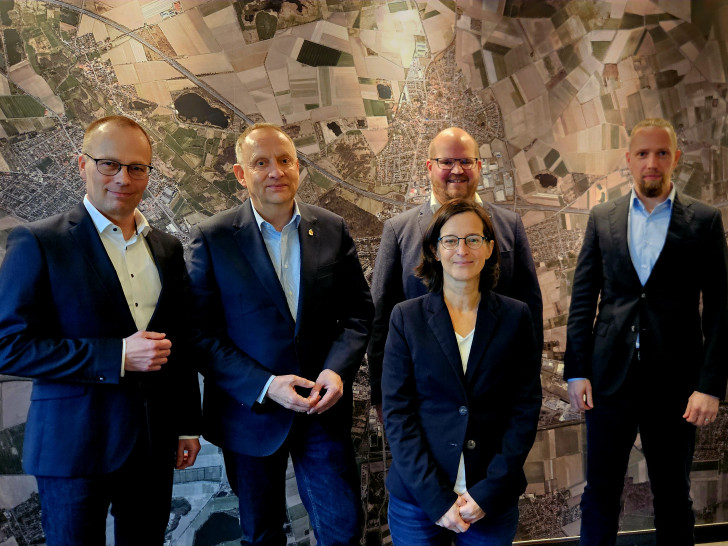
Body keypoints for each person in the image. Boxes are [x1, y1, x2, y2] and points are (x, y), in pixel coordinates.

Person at [0, 115, 202, 545]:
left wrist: (187, 425)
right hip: (73, 444)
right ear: (82, 165)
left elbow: (179, 343)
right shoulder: (38, 242)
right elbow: (8, 346)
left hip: (151, 443)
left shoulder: (167, 248)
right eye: (109, 164)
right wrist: (116, 356)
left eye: (137, 167)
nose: (123, 178)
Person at [186, 122, 373, 546]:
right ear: (240, 174)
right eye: (261, 163)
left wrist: (337, 370)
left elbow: (359, 312)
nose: (276, 171)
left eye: (285, 160)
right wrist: (266, 385)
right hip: (249, 415)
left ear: (298, 167)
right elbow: (199, 334)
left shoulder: (331, 228)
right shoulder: (212, 238)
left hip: (321, 410)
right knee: (261, 533)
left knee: (342, 529)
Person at [564, 118, 728, 545]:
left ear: (675, 157)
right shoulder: (603, 218)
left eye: (660, 153)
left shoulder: (705, 221)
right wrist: (576, 370)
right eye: (642, 153)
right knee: (600, 494)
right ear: (629, 160)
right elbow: (583, 300)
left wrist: (710, 385)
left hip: (677, 385)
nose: (651, 162)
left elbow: (720, 311)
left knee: (673, 496)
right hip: (607, 381)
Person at [382, 198, 542, 546]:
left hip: (491, 497)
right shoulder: (406, 319)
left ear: (489, 248)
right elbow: (398, 415)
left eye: (473, 239)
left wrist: (489, 490)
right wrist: (437, 500)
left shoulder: (516, 317)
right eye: (450, 240)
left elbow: (525, 409)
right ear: (435, 251)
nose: (462, 249)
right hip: (419, 499)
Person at [369, 126, 542, 418]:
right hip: (423, 399)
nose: (457, 170)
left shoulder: (509, 226)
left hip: (496, 395)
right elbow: (380, 317)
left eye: (466, 161)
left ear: (479, 166)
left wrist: (527, 385)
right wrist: (381, 394)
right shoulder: (400, 231)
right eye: (446, 162)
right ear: (429, 167)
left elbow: (530, 309)